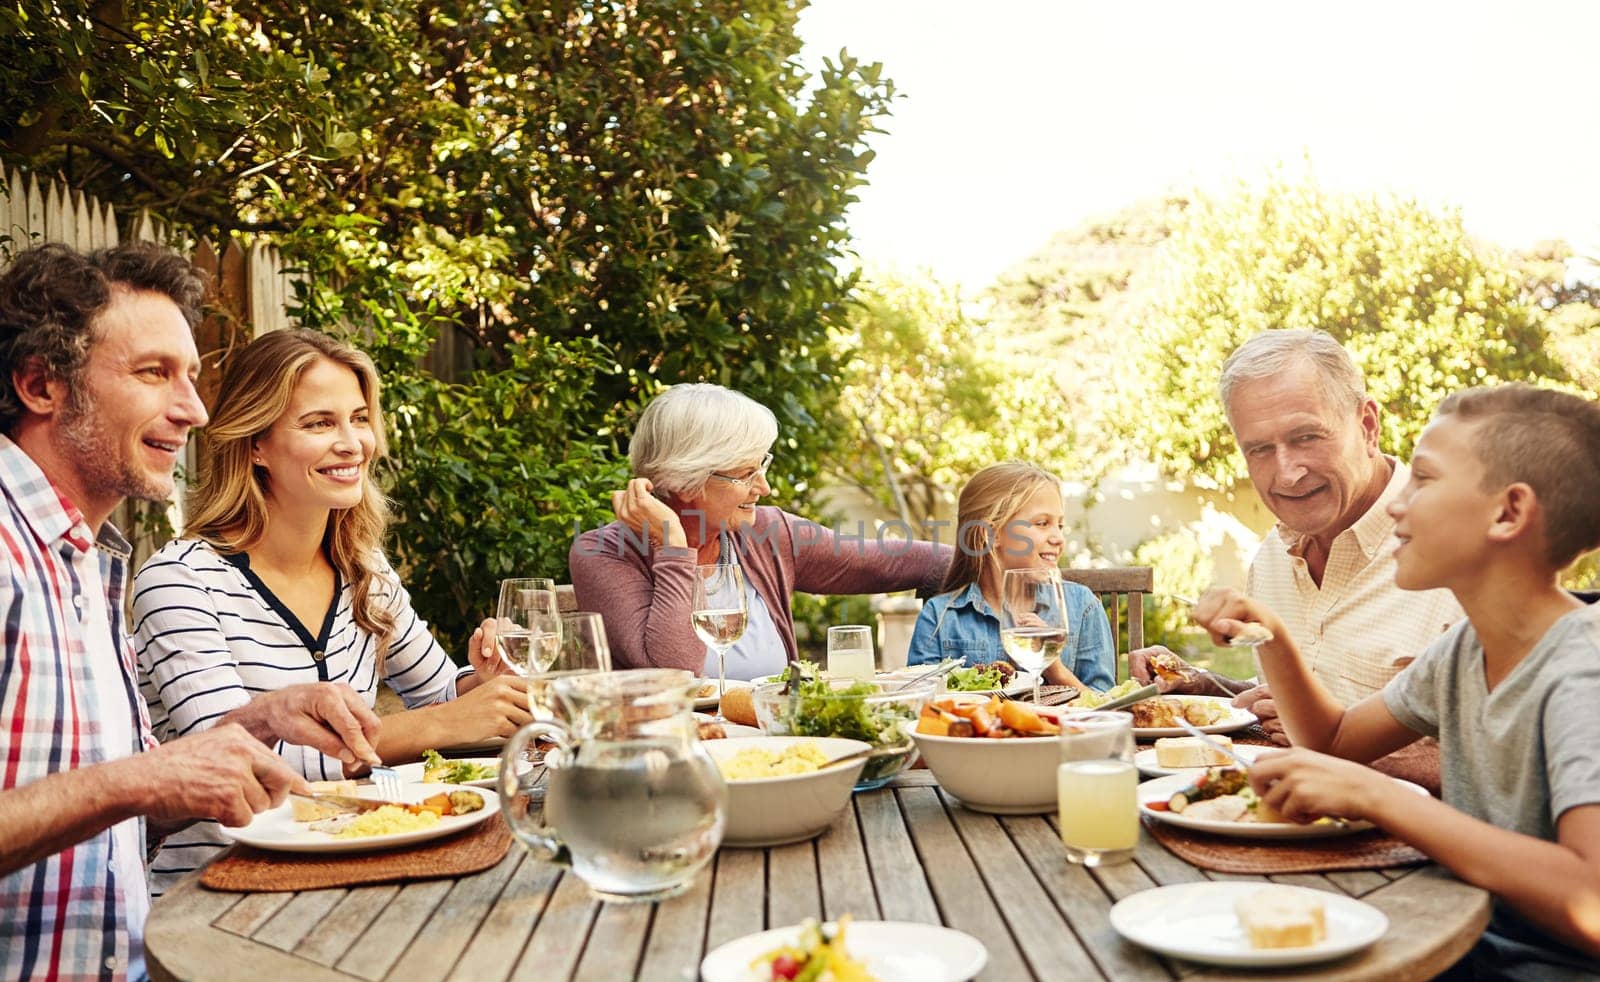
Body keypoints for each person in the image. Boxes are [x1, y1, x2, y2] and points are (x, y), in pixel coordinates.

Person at [0, 243, 381, 982]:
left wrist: (252, 724)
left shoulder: (84, 560)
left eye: (192, 374)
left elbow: (115, 812)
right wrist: (143, 777)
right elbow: (122, 789)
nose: (196, 410)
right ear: (41, 385)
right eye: (154, 373)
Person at [1195, 384, 1600, 982]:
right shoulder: (1464, 650)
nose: (1400, 503)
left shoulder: (1581, 669)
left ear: (1509, 512)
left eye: (1424, 478)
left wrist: (1384, 797)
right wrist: (1272, 635)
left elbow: (1591, 897)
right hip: (1468, 957)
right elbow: (1332, 741)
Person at [133, 327, 532, 894]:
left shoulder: (362, 567)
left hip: (359, 868)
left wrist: (484, 683)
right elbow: (228, 767)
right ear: (255, 444)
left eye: (359, 418)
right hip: (214, 894)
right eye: (320, 423)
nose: (352, 443)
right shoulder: (180, 582)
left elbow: (442, 693)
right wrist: (441, 723)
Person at [1130, 329, 1461, 789]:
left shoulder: (1461, 551)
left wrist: (1332, 747)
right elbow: (1280, 706)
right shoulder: (1271, 556)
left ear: (1367, 425)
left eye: (1307, 437)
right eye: (1260, 449)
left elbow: (1515, 771)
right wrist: (1202, 684)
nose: (1286, 471)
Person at [570, 383, 951, 679]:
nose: (763, 487)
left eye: (761, 466)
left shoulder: (768, 533)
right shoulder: (604, 554)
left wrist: (988, 555)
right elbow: (675, 674)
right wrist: (674, 543)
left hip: (777, 753)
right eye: (745, 474)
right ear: (687, 481)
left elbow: (892, 562)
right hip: (674, 764)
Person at [906, 462, 1116, 692]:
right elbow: (920, 702)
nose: (1058, 538)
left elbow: (1106, 706)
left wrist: (1053, 668)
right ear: (990, 534)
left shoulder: (1082, 606)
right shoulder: (941, 617)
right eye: (1042, 523)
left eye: (1060, 525)